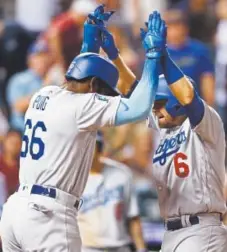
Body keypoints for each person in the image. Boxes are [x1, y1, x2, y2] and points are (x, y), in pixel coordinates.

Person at [0, 7, 166, 252]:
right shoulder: (83, 105)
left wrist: (89, 40)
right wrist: (153, 56)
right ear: (93, 86)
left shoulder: (44, 94)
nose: (102, 96)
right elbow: (140, 107)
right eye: (102, 90)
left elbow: (83, 71)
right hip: (48, 217)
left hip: (16, 212)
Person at [145, 21, 227, 252]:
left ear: (177, 103)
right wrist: (115, 57)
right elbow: (132, 91)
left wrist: (164, 56)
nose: (156, 110)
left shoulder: (205, 124)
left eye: (161, 104)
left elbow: (189, 97)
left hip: (201, 229)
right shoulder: (163, 128)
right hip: (171, 233)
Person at [78, 131, 147, 252]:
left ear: (99, 147)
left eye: (91, 145)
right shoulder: (72, 178)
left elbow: (133, 217)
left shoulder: (121, 174)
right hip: (86, 248)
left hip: (120, 246)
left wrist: (141, 249)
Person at [163, 8, 215, 107]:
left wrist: (209, 109)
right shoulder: (157, 54)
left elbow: (207, 81)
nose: (174, 32)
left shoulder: (199, 50)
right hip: (167, 111)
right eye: (170, 27)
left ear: (185, 28)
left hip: (194, 109)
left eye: (177, 26)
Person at [6, 39, 53, 132]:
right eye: (38, 56)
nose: (42, 60)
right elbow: (18, 107)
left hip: (46, 133)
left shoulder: (55, 79)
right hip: (22, 133)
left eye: (45, 55)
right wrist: (44, 89)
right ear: (29, 59)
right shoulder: (19, 79)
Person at [0, 129, 21, 197]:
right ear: (5, 141)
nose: (13, 146)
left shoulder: (21, 169)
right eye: (11, 142)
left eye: (17, 143)